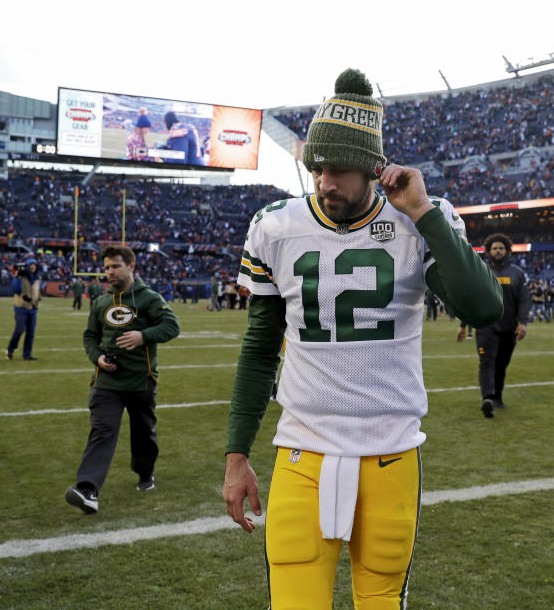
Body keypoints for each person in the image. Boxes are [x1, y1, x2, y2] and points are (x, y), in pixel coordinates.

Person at [222, 68, 502, 610]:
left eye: (342, 170)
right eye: (319, 167)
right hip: (303, 450)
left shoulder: (421, 219)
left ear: (374, 169)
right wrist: (236, 456)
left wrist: (421, 214)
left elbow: (483, 307)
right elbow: (259, 350)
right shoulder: (276, 226)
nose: (327, 182)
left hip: (390, 452)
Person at [66, 245, 181, 514]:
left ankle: (145, 473)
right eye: (106, 267)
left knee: (143, 435)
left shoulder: (148, 298)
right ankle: (87, 489)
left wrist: (143, 336)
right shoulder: (101, 301)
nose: (109, 272)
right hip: (107, 383)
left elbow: (172, 326)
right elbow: (89, 336)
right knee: (101, 432)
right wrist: (97, 358)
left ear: (131, 266)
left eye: (115, 266)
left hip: (141, 382)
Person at [457, 233, 530, 418]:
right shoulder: (480, 271)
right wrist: (463, 324)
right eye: (495, 248)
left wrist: (523, 323)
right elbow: (471, 299)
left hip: (509, 327)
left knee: (501, 364)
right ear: (488, 251)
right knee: (487, 362)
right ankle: (487, 398)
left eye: (501, 248)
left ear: (507, 250)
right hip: (485, 326)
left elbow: (523, 300)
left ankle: (497, 397)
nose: (498, 251)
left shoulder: (518, 274)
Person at [7, 257, 42, 361]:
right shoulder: (20, 277)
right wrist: (17, 277)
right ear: (26, 266)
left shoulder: (38, 278)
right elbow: (16, 290)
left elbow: (38, 290)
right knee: (20, 329)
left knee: (30, 333)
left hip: (33, 309)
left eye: (34, 265)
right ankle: (11, 348)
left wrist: (39, 297)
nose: (32, 266)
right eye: (30, 264)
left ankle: (27, 355)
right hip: (21, 308)